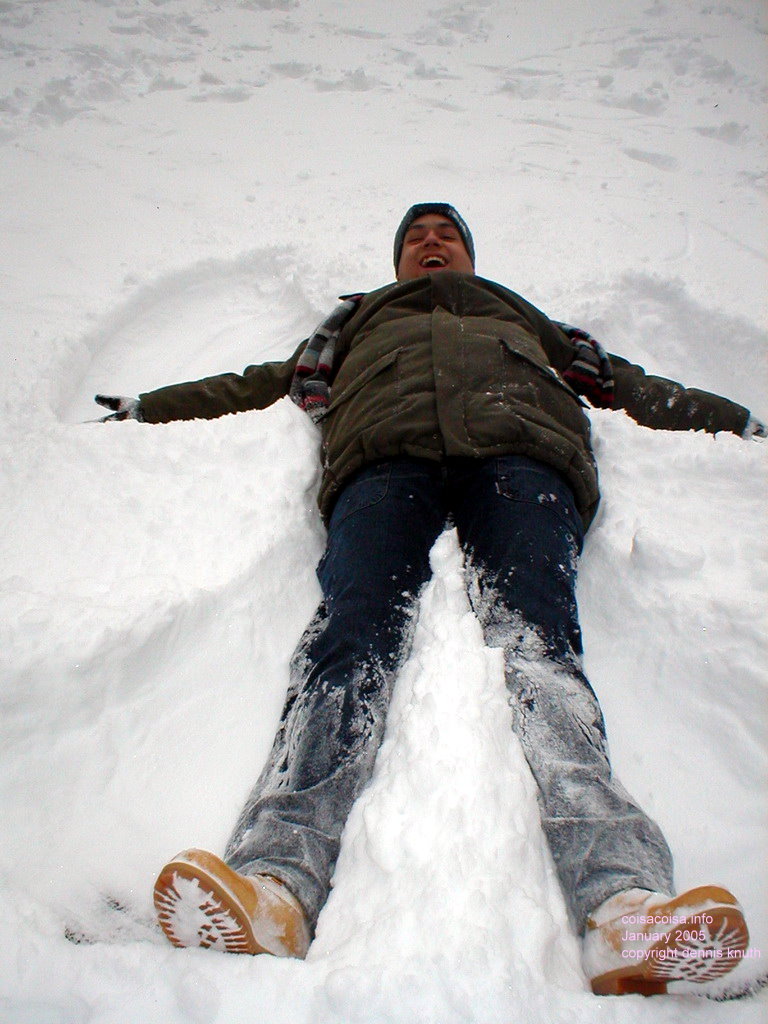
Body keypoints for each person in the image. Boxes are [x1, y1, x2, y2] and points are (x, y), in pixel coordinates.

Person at [97, 204, 764, 996]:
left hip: (522, 455)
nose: (431, 242)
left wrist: (742, 423)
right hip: (384, 463)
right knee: (348, 641)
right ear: (400, 261)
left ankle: (624, 903)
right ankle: (275, 882)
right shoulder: (355, 323)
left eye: (446, 234)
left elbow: (633, 386)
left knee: (539, 645)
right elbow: (251, 384)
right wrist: (146, 406)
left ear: (468, 256)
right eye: (416, 237)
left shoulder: (519, 315)